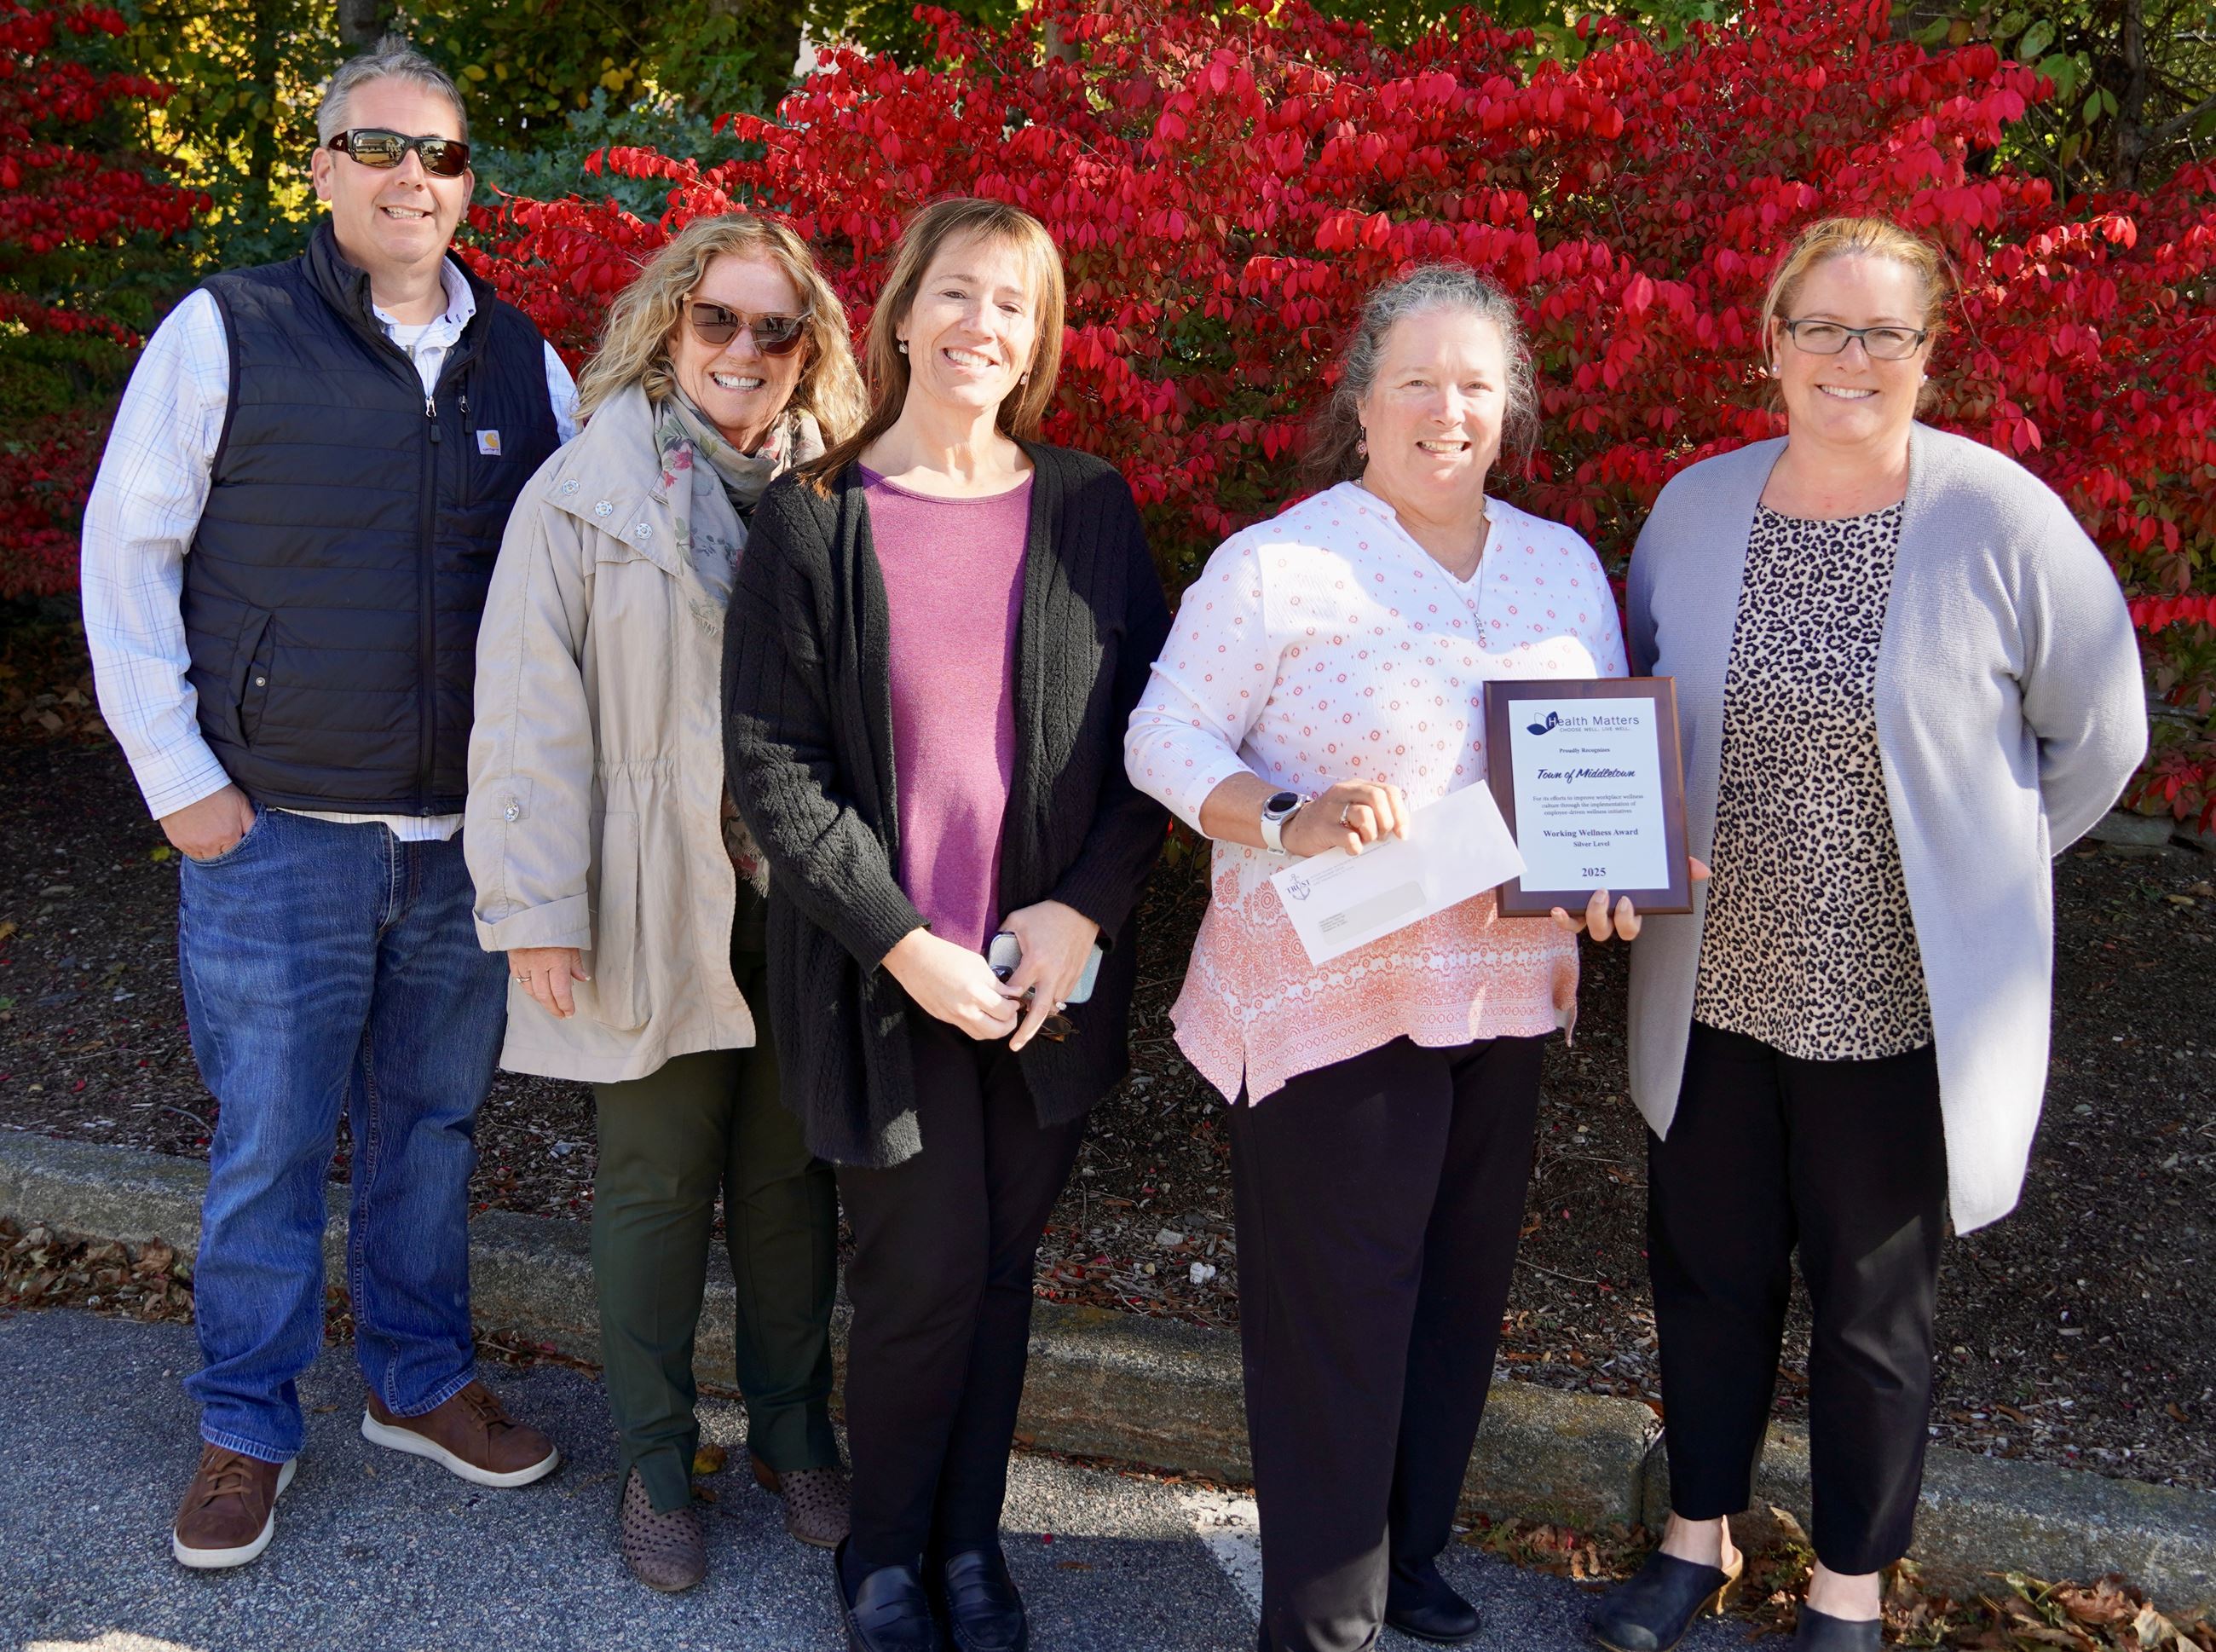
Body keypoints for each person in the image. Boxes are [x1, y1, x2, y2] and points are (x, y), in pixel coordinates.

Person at [1592, 217, 2147, 1652]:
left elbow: (2103, 734)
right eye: (1821, 327)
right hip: (1715, 982)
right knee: (1706, 1280)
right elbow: (1637, 705)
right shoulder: (1694, 510)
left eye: (1884, 331)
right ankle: (1695, 1539)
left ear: (1928, 348)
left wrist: (1985, 867)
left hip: (1900, 1000)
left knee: (1871, 1312)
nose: (1851, 357)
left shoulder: (2003, 521)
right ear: (1770, 341)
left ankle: (1849, 1588)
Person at [79, 37, 577, 1570]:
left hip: (462, 846)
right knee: (272, 1143)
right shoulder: (226, 329)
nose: (409, 176)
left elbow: (578, 586)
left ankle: (418, 1382)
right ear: (322, 167)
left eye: (439, 153)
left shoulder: (526, 362)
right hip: (279, 834)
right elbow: (125, 553)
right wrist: (182, 784)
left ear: (467, 182)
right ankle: (245, 1421)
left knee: (430, 1130)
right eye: (377, 145)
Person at [1126, 264, 1639, 1652]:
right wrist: (1286, 815)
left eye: (1476, 383)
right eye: (1416, 379)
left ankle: (1408, 1554)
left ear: (1510, 409)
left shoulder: (1562, 566)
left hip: (1504, 993)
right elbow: (1161, 739)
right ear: (1362, 401)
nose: (1446, 408)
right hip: (1329, 998)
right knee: (1340, 1318)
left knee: (1458, 1300)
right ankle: (1321, 1613)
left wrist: (1613, 871)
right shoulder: (1278, 566)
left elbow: (1599, 762)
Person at [723, 197, 1170, 1652]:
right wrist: (903, 941)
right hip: (886, 976)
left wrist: (1084, 909)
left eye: (1016, 305)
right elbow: (775, 768)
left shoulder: (1089, 508)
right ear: (904, 312)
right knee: (920, 1275)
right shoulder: (813, 517)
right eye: (961, 293)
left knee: (997, 1270)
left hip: (1046, 978)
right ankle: (882, 1553)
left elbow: (1154, 742)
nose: (985, 325)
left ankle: (970, 1546)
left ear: (1038, 342)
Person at [465, 213, 866, 1591]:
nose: (744, 349)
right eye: (719, 320)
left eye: (776, 327)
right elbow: (527, 715)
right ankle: (653, 1458)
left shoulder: (848, 491)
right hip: (647, 887)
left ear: (809, 346)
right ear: (669, 325)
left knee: (790, 1182)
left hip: (806, 899)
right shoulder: (583, 492)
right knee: (654, 1184)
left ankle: (794, 1431)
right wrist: (536, 906)